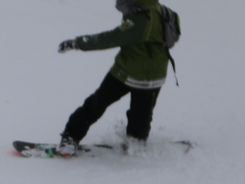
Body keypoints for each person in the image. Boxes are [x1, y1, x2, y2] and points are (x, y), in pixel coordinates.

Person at [56, 0, 172, 156]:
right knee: (138, 115)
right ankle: (135, 142)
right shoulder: (158, 9)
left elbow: (111, 38)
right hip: (134, 73)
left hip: (144, 77)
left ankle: (73, 137)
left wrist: (77, 43)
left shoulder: (141, 18)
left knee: (99, 104)